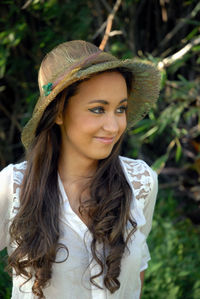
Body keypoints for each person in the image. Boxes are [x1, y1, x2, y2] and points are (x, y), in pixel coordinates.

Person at [0, 40, 161, 299]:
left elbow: (135, 276)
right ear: (59, 113)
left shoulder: (141, 182)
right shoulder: (13, 186)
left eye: (120, 109)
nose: (113, 126)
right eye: (98, 109)